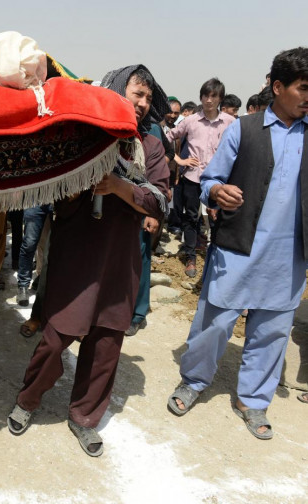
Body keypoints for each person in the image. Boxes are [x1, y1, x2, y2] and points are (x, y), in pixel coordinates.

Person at [7, 65, 169, 457]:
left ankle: (84, 417)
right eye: (137, 93)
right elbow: (51, 185)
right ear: (116, 91)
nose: (143, 103)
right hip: (77, 251)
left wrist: (118, 185)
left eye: (148, 97)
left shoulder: (150, 145)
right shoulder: (84, 134)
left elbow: (161, 198)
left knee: (107, 341)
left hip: (119, 258)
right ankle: (28, 400)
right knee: (56, 336)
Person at [167, 47, 308, 441]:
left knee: (272, 332)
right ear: (278, 87)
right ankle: (193, 380)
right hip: (237, 248)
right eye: (303, 88)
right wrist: (217, 191)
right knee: (214, 324)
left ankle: (253, 400)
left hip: (289, 257)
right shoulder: (243, 129)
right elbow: (210, 179)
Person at [166, 78, 235, 277]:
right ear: (201, 97)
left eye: (213, 96)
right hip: (193, 177)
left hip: (219, 180)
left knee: (217, 218)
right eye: (205, 95)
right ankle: (190, 257)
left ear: (220, 98)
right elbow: (167, 137)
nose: (208, 100)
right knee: (191, 217)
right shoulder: (191, 120)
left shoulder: (230, 123)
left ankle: (217, 259)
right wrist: (179, 160)